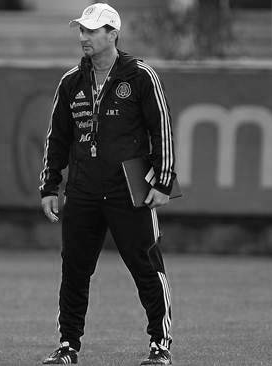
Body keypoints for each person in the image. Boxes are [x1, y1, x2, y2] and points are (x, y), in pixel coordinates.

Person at [39, 3, 176, 365]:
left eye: (92, 30)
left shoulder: (141, 76)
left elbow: (160, 128)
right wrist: (50, 186)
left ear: (112, 34)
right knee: (74, 269)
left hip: (128, 189)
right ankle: (68, 346)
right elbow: (57, 138)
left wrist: (163, 181)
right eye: (81, 30)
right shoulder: (71, 82)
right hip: (83, 190)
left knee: (146, 265)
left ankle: (160, 346)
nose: (84, 37)